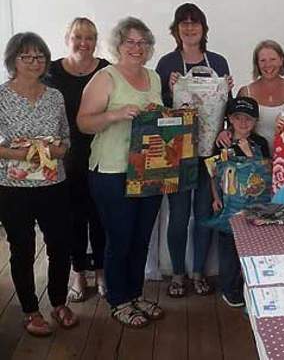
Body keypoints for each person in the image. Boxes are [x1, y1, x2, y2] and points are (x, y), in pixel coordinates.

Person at [77, 17, 164, 328]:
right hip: (112, 170)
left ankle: (135, 294)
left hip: (150, 170)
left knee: (141, 239)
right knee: (120, 238)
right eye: (130, 41)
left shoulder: (154, 77)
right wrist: (115, 114)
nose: (136, 48)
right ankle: (118, 300)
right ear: (118, 45)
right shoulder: (105, 78)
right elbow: (83, 122)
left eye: (142, 42)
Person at [0, 32, 78, 336]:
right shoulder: (2, 96)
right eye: (26, 57)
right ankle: (30, 310)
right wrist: (21, 154)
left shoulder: (55, 96)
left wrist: (59, 150)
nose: (34, 62)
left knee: (60, 244)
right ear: (13, 61)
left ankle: (58, 302)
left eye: (40, 56)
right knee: (22, 248)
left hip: (53, 182)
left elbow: (66, 138)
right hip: (12, 186)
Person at [155, 3, 232, 297]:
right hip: (177, 152)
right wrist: (168, 89)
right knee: (178, 216)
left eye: (194, 22)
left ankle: (198, 271)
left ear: (203, 28)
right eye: (184, 23)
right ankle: (178, 273)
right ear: (176, 29)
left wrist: (226, 127)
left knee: (203, 214)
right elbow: (158, 108)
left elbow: (227, 106)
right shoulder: (166, 63)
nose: (189, 28)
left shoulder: (219, 62)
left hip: (209, 152)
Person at [44, 17, 109, 302]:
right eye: (78, 37)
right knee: (73, 219)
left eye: (90, 38)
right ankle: (78, 272)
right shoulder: (51, 72)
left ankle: (102, 271)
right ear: (67, 39)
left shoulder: (106, 70)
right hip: (65, 157)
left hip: (103, 154)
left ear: (96, 41)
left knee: (100, 217)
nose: (84, 43)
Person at [208, 97, 270, 307]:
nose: (243, 123)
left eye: (249, 119)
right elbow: (213, 173)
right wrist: (215, 198)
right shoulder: (221, 142)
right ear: (230, 119)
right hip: (228, 205)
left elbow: (265, 172)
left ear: (256, 121)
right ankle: (229, 289)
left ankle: (250, 286)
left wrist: (249, 153)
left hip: (255, 205)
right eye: (238, 117)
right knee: (228, 248)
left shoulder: (260, 143)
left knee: (253, 247)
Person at [236, 40, 284, 152]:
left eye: (272, 59)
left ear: (281, 60)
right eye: (262, 60)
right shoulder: (246, 92)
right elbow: (234, 124)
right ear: (257, 64)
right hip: (255, 158)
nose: (268, 65)